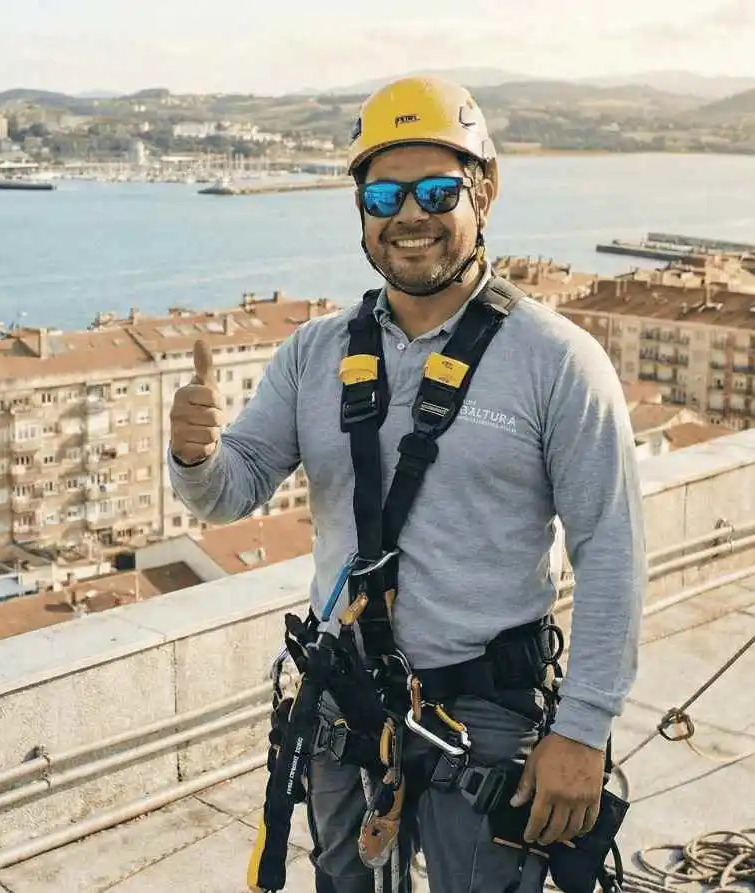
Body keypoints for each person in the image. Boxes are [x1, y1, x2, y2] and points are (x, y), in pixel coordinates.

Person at [167, 75, 646, 893]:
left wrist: (584, 731)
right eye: (386, 192)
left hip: (483, 711)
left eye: (436, 189)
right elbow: (230, 493)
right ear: (361, 209)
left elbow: (611, 551)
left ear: (483, 193)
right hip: (345, 703)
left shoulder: (556, 361)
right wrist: (194, 455)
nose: (410, 215)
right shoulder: (316, 353)